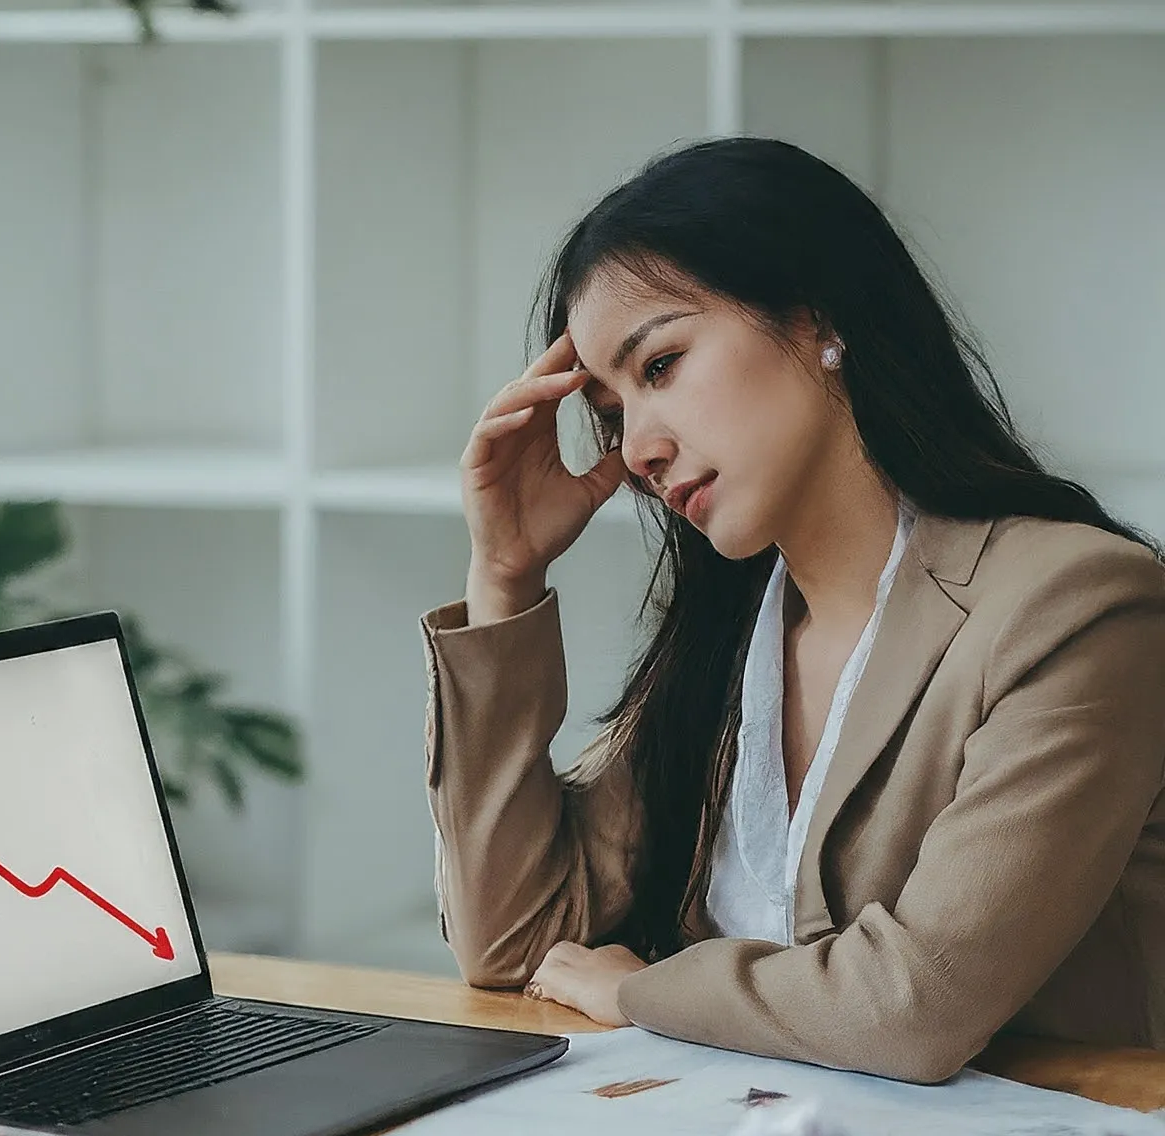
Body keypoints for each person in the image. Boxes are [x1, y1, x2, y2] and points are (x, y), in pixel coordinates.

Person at [419, 136, 1165, 1084]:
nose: (638, 449)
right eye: (608, 416)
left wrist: (642, 991)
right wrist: (505, 577)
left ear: (818, 317)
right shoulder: (730, 645)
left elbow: (916, 1008)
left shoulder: (1077, 609)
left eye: (659, 366)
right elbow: (517, 936)